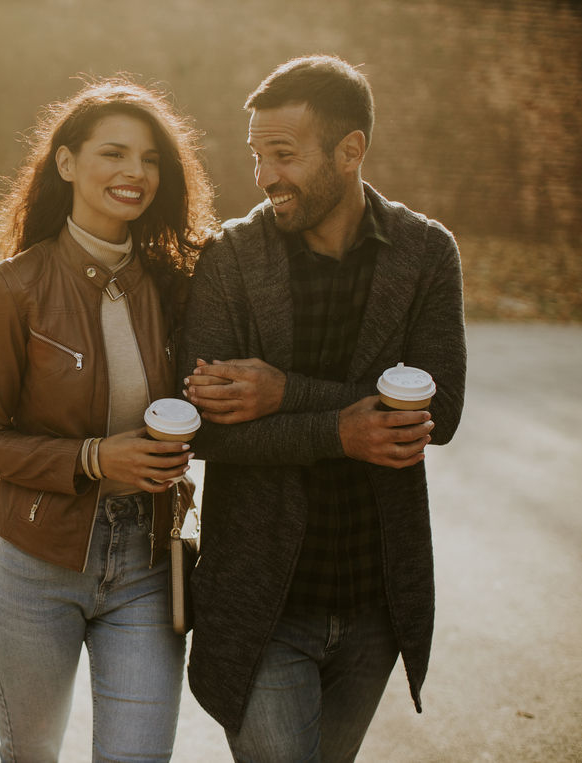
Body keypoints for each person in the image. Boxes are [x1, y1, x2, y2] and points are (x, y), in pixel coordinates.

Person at [179, 55, 467, 762]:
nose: (265, 176)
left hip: (374, 601)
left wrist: (287, 395)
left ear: (350, 150)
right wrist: (338, 429)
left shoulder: (426, 252)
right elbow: (207, 431)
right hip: (258, 607)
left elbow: (441, 409)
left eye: (282, 154)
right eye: (256, 156)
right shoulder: (230, 259)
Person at [0, 76, 216, 761]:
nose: (135, 172)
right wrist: (95, 458)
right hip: (36, 566)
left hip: (147, 563)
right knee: (31, 753)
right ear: (66, 163)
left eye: (151, 158)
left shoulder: (176, 283)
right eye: (114, 153)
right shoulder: (13, 288)